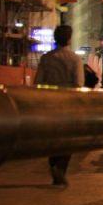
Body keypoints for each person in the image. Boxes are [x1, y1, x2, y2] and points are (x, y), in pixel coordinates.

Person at [34, 24, 84, 186]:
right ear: (69, 39)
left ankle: (53, 164)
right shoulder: (75, 59)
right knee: (69, 138)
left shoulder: (46, 58)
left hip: (50, 102)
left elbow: (38, 82)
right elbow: (79, 83)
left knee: (53, 136)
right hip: (69, 102)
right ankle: (60, 168)